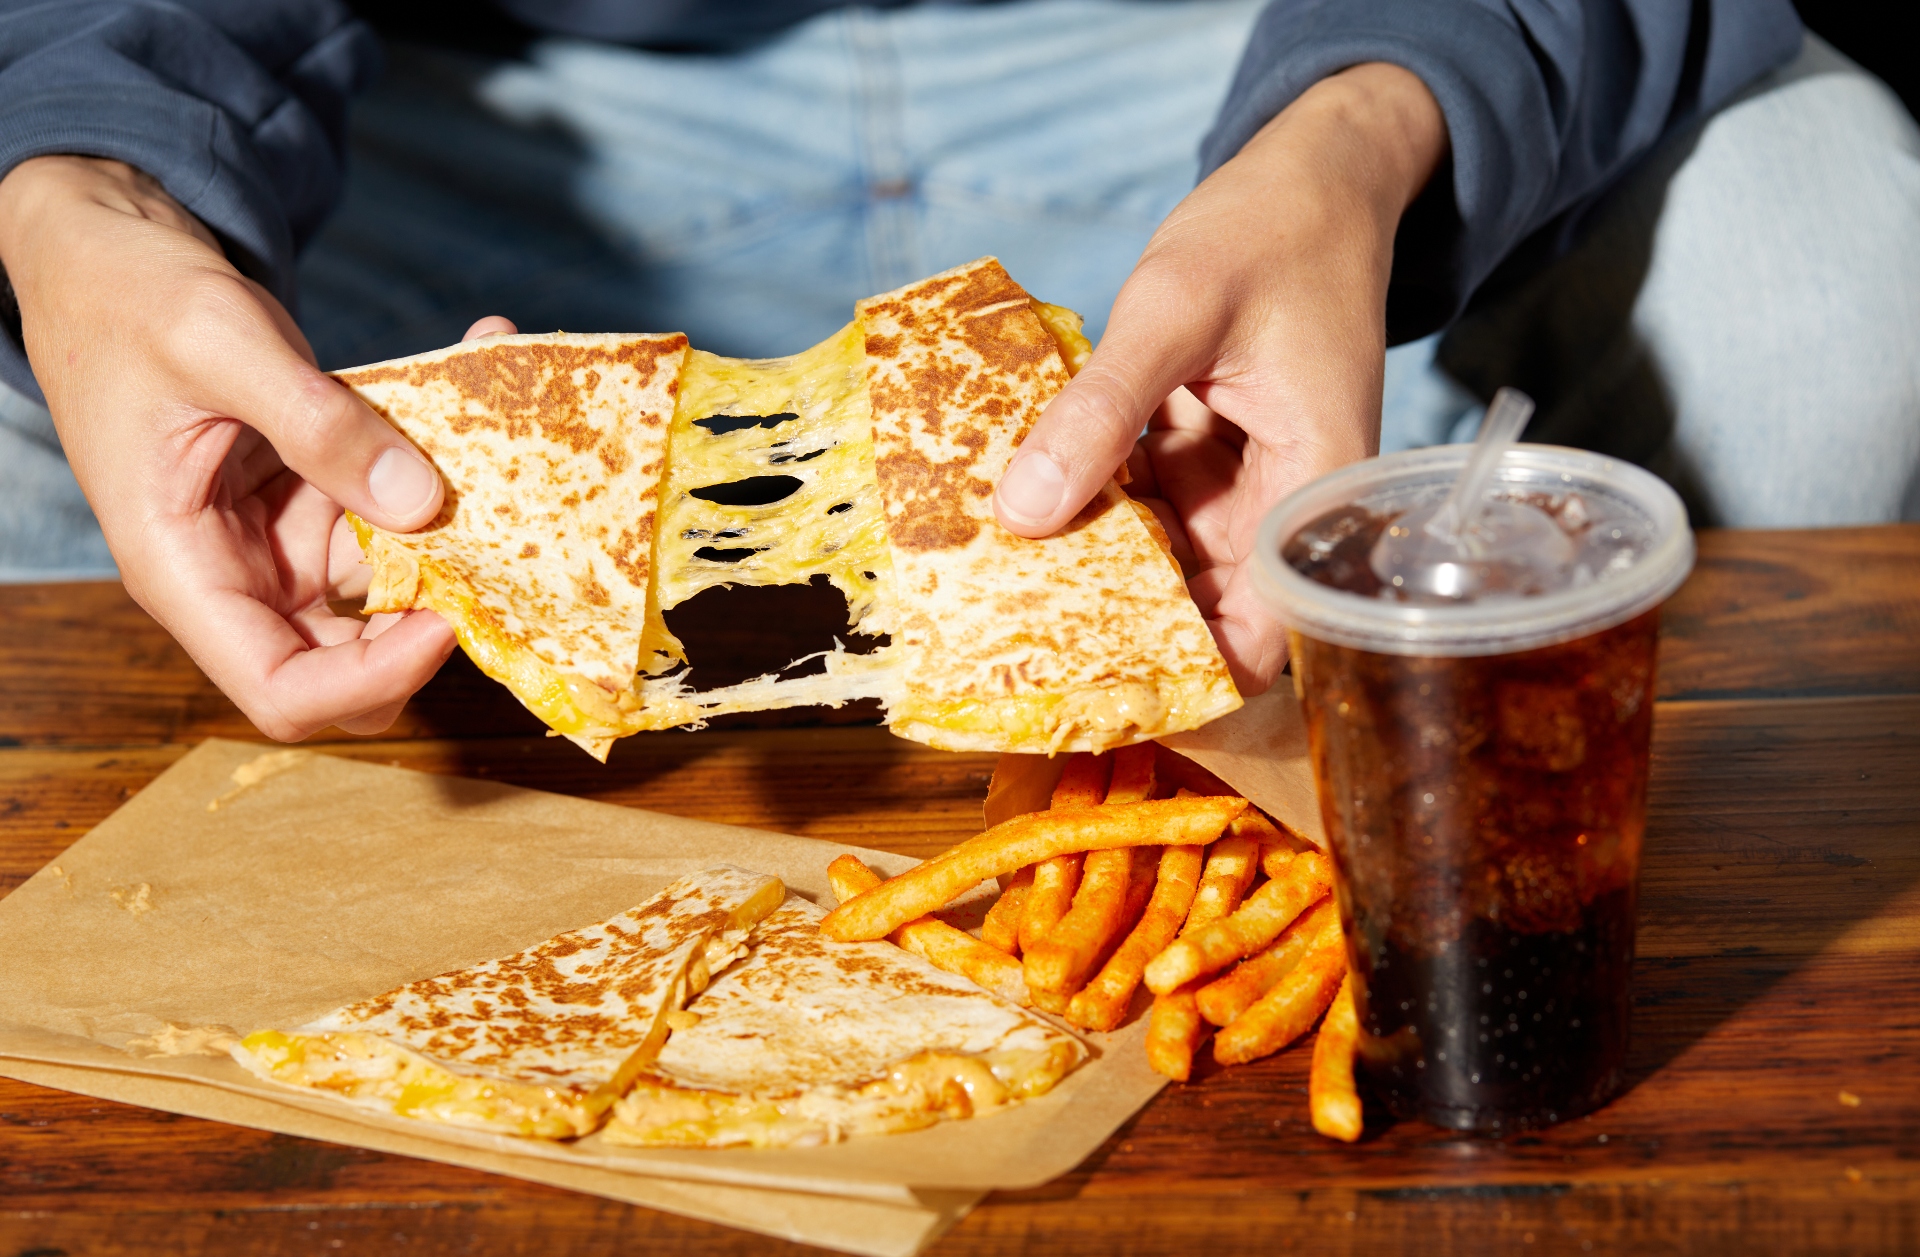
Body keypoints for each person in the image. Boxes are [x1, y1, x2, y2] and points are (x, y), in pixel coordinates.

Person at [0, 1, 1914, 743]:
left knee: (1837, 264)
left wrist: (1368, 125)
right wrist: (84, 163)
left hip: (1232, 59)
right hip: (483, 99)